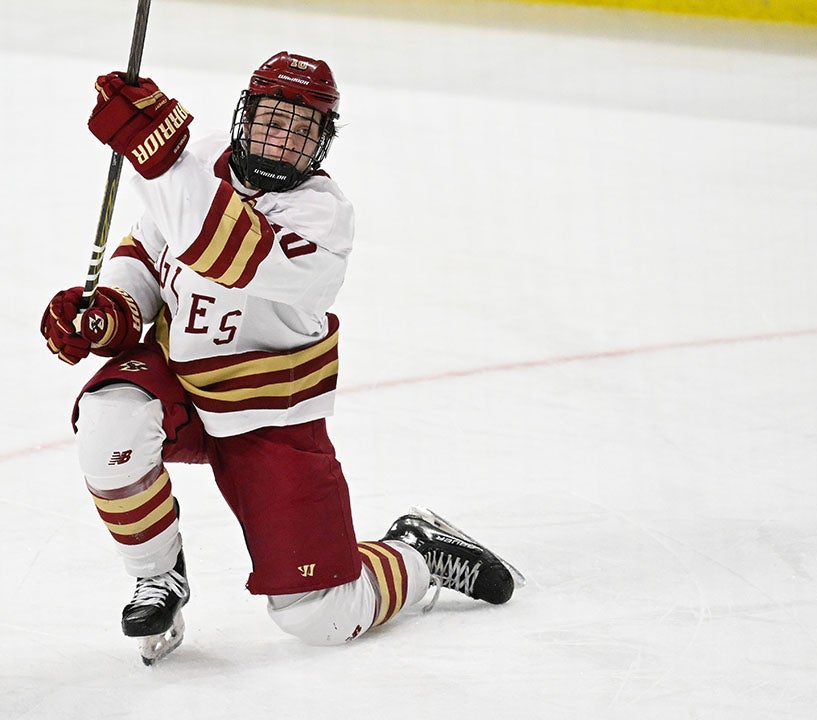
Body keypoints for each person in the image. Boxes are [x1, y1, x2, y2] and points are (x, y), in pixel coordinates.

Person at [40, 51, 520, 663]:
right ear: (247, 114)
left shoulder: (323, 218)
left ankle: (416, 554)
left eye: (303, 130)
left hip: (268, 416)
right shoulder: (198, 161)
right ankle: (158, 576)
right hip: (181, 383)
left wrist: (158, 156)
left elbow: (227, 250)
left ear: (322, 145)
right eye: (274, 118)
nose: (284, 138)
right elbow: (150, 249)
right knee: (110, 415)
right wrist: (111, 311)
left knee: (320, 615)